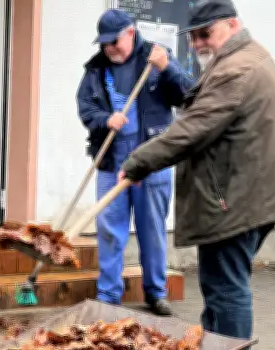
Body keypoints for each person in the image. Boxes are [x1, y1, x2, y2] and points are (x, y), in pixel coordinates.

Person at [119, 0, 275, 350]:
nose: (198, 42)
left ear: (232, 25)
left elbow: (194, 128)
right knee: (221, 282)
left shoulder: (238, 69)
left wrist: (139, 162)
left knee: (227, 285)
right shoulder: (243, 56)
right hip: (248, 191)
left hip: (236, 197)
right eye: (193, 35)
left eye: (205, 33)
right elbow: (197, 105)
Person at [76, 9, 195, 316]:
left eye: (113, 41)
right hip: (111, 162)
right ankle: (108, 295)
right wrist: (105, 119)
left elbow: (188, 96)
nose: (109, 49)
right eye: (104, 44)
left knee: (151, 229)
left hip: (152, 160)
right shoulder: (96, 69)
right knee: (109, 230)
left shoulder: (156, 57)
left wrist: (167, 67)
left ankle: (156, 293)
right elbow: (86, 107)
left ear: (130, 32)